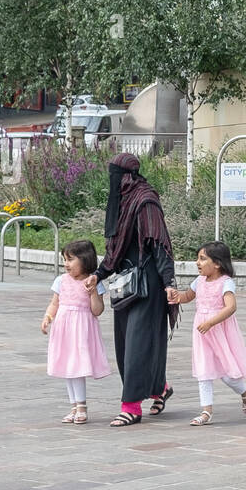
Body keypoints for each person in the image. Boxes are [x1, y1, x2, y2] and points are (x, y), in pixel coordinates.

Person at [87, 153, 178, 428]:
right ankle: (159, 388)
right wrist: (98, 274)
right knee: (126, 345)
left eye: (115, 174)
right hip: (125, 286)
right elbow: (115, 252)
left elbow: (159, 246)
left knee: (138, 346)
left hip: (148, 285)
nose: (113, 181)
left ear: (126, 176)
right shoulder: (123, 202)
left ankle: (131, 407)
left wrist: (169, 284)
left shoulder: (145, 201)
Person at [168, 241, 246, 426]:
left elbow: (231, 307)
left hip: (220, 332)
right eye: (197, 258)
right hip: (202, 334)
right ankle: (206, 411)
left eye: (202, 259)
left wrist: (210, 322)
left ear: (217, 263)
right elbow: (187, 296)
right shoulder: (199, 281)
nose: (197, 262)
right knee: (204, 369)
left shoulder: (225, 282)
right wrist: (176, 296)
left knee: (227, 374)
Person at [41, 239, 110, 425]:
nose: (66, 264)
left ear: (85, 260)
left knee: (76, 367)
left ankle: (81, 406)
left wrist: (93, 292)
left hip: (80, 330)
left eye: (70, 259)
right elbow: (54, 303)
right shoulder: (60, 280)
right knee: (67, 368)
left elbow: (97, 310)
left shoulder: (93, 282)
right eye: (65, 259)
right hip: (63, 329)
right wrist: (48, 317)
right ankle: (73, 405)